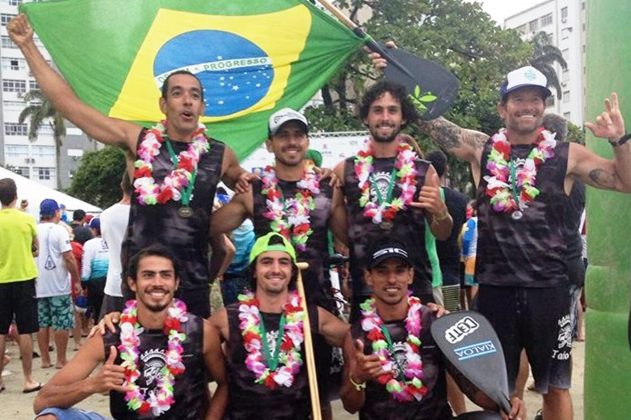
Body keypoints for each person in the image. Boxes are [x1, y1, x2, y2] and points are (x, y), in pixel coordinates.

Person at [370, 58, 630, 419]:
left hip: (548, 291)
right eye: (518, 98)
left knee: (556, 387)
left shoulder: (567, 155)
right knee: (498, 388)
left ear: (544, 105)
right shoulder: (482, 148)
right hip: (495, 290)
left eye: (535, 98)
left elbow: (625, 181)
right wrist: (395, 72)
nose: (527, 106)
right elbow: (432, 123)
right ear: (502, 107)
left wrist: (619, 138)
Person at [8, 14, 252, 318]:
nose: (187, 101)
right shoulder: (138, 139)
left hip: (193, 284)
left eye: (195, 95)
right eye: (177, 93)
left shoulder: (220, 152)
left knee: (193, 363)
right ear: (164, 105)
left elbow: (242, 183)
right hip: (141, 285)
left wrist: (243, 176)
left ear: (202, 107)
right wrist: (28, 45)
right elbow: (71, 106)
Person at [33, 245, 228, 420]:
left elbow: (225, 384)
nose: (158, 282)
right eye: (148, 275)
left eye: (166, 275)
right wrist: (93, 384)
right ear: (132, 283)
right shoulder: (110, 333)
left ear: (176, 283)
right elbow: (41, 402)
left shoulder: (201, 331)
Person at [340, 238, 525, 419]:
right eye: (382, 271)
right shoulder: (357, 335)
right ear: (369, 277)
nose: (392, 279)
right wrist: (357, 379)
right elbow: (350, 406)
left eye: (400, 270)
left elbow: (470, 388)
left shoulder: (435, 323)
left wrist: (507, 404)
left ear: (410, 275)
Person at [332, 81, 453, 321]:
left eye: (392, 110)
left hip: (415, 288)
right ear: (366, 118)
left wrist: (440, 212)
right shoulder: (344, 171)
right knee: (366, 358)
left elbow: (443, 233)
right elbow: (343, 234)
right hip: (366, 290)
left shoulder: (423, 171)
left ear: (403, 118)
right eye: (377, 110)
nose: (385, 117)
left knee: (423, 358)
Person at [209, 232, 349, 419]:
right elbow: (193, 348)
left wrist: (354, 377)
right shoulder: (227, 318)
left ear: (292, 271)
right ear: (254, 270)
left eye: (283, 262)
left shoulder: (311, 316)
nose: (275, 269)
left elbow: (355, 340)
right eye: (266, 262)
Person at [0, 178, 42, 393]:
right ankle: (28, 379)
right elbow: (36, 249)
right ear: (15, 195)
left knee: (0, 331)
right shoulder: (27, 220)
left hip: (1, 280)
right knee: (25, 330)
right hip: (24, 277)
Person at [35, 198, 81, 370]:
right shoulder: (60, 230)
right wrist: (76, 280)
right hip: (58, 284)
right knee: (61, 322)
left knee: (42, 323)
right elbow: (68, 257)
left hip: (38, 283)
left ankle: (45, 359)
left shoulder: (33, 229)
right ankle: (61, 360)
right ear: (56, 212)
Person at [99, 172, 132, 316]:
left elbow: (106, 241)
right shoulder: (147, 215)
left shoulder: (106, 215)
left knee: (110, 333)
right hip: (138, 284)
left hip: (113, 283)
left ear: (121, 186)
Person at [81, 218, 109, 324]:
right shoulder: (112, 241)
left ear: (94, 230)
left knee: (97, 313)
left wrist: (84, 284)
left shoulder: (89, 244)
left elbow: (86, 266)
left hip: (96, 283)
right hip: (111, 280)